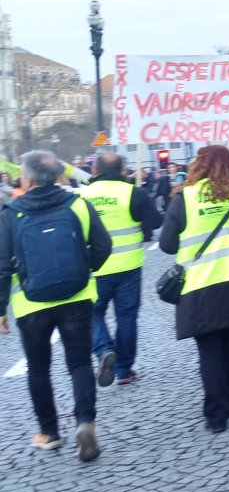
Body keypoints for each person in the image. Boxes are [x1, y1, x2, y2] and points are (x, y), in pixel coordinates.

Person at [0, 151, 111, 461]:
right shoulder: (78, 203)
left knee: (38, 368)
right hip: (76, 296)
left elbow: (2, 266)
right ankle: (85, 422)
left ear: (28, 179)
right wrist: (85, 267)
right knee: (78, 363)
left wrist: (0, 308)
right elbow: (104, 246)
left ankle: (49, 433)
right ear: (59, 176)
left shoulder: (12, 212)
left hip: (31, 304)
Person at [159, 146, 229, 433]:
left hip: (200, 283)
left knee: (209, 349)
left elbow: (167, 244)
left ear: (198, 165)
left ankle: (216, 414)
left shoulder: (186, 198)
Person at [80, 152, 161, 387]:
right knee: (126, 317)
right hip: (128, 265)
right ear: (123, 170)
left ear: (95, 170)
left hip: (94, 267)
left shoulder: (82, 196)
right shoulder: (133, 193)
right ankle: (124, 369)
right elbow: (155, 222)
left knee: (92, 313)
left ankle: (104, 349)